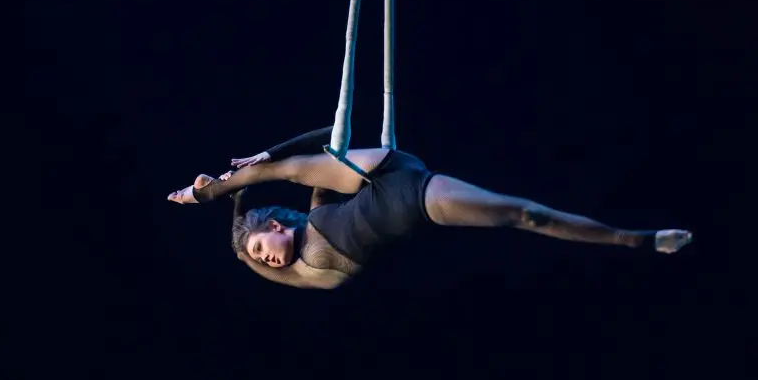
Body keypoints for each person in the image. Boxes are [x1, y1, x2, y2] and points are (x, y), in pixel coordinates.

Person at [168, 127, 693, 289]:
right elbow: (248, 260)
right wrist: (239, 221)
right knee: (525, 216)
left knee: (286, 166)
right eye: (261, 261)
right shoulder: (310, 271)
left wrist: (248, 171)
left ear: (276, 225)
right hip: (415, 202)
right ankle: (638, 240)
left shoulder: (318, 207)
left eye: (262, 247)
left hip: (384, 173)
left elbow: (329, 133)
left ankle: (207, 191)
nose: (266, 260)